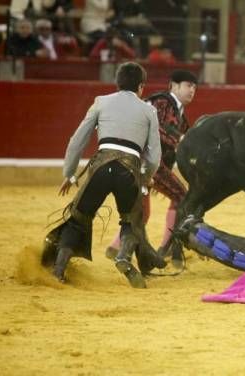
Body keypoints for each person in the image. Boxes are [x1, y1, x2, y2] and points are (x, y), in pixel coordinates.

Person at [45, 62, 161, 288]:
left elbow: (77, 141)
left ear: (117, 83)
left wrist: (70, 174)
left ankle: (58, 270)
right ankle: (123, 257)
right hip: (129, 171)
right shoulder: (149, 111)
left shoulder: (101, 102)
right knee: (132, 221)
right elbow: (154, 156)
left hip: (100, 168)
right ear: (141, 87)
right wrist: (146, 177)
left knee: (78, 220)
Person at [106, 70, 198, 264]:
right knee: (182, 196)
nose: (192, 90)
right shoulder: (163, 102)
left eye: (195, 87)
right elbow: (158, 127)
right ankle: (167, 247)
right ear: (173, 85)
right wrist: (180, 139)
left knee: (143, 212)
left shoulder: (176, 110)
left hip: (138, 160)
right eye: (188, 85)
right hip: (147, 161)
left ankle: (115, 247)